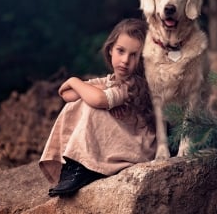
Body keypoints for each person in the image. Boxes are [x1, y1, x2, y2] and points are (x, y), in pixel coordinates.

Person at [39, 18, 156, 197]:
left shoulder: (132, 85)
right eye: (121, 51)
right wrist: (87, 90)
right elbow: (67, 95)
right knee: (80, 102)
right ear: (110, 50)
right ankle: (75, 164)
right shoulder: (108, 81)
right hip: (117, 140)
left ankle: (82, 166)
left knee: (91, 105)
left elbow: (97, 99)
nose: (125, 60)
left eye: (134, 55)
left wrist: (73, 80)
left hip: (134, 145)